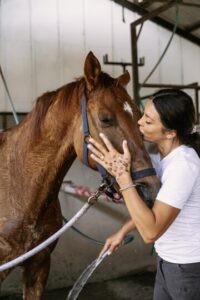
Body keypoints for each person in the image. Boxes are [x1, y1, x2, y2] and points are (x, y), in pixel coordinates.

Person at [87, 89, 200, 300]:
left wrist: (123, 178)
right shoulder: (161, 160)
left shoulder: (183, 166)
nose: (138, 123)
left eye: (148, 122)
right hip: (168, 261)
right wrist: (124, 229)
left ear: (170, 133)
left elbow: (151, 232)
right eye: (142, 115)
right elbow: (156, 209)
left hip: (188, 268)